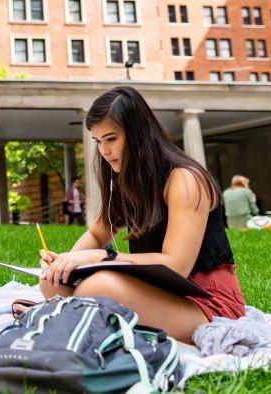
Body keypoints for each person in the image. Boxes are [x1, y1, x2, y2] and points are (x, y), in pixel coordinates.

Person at [33, 86, 245, 344]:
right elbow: (97, 232)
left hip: (206, 303)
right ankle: (87, 318)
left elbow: (177, 266)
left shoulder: (184, 179)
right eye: (98, 141)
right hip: (158, 292)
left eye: (111, 139)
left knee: (95, 288)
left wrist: (102, 256)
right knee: (52, 284)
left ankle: (81, 319)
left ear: (138, 135)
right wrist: (66, 262)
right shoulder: (126, 179)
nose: (104, 150)